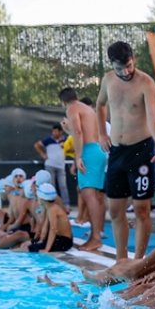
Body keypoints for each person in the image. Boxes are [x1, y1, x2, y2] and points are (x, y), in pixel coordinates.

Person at [96, 41, 155, 260]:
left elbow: (152, 115)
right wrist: (101, 134)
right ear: (111, 65)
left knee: (142, 209)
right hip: (116, 151)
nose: (125, 72)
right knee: (114, 210)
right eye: (120, 68)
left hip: (140, 151)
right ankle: (121, 259)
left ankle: (138, 261)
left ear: (133, 58)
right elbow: (100, 105)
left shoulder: (146, 82)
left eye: (129, 65)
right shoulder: (108, 80)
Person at [60, 87, 107, 250]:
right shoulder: (87, 109)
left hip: (88, 152)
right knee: (97, 196)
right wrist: (68, 130)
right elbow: (84, 132)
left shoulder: (72, 108)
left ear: (63, 102)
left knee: (89, 196)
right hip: (98, 150)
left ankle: (95, 238)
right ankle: (97, 234)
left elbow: (79, 133)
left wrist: (78, 157)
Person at [27, 184, 74, 252]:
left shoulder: (53, 210)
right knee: (32, 244)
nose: (37, 199)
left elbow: (53, 230)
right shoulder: (50, 208)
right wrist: (41, 240)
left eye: (38, 197)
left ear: (42, 199)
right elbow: (46, 228)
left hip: (64, 242)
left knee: (32, 248)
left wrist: (47, 249)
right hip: (60, 238)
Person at [35, 124, 71, 208]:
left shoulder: (66, 140)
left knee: (63, 186)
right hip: (50, 165)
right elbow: (37, 145)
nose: (54, 133)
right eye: (53, 131)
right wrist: (43, 154)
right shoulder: (48, 140)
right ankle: (53, 204)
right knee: (51, 185)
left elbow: (72, 148)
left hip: (61, 166)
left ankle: (66, 205)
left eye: (56, 131)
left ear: (61, 131)